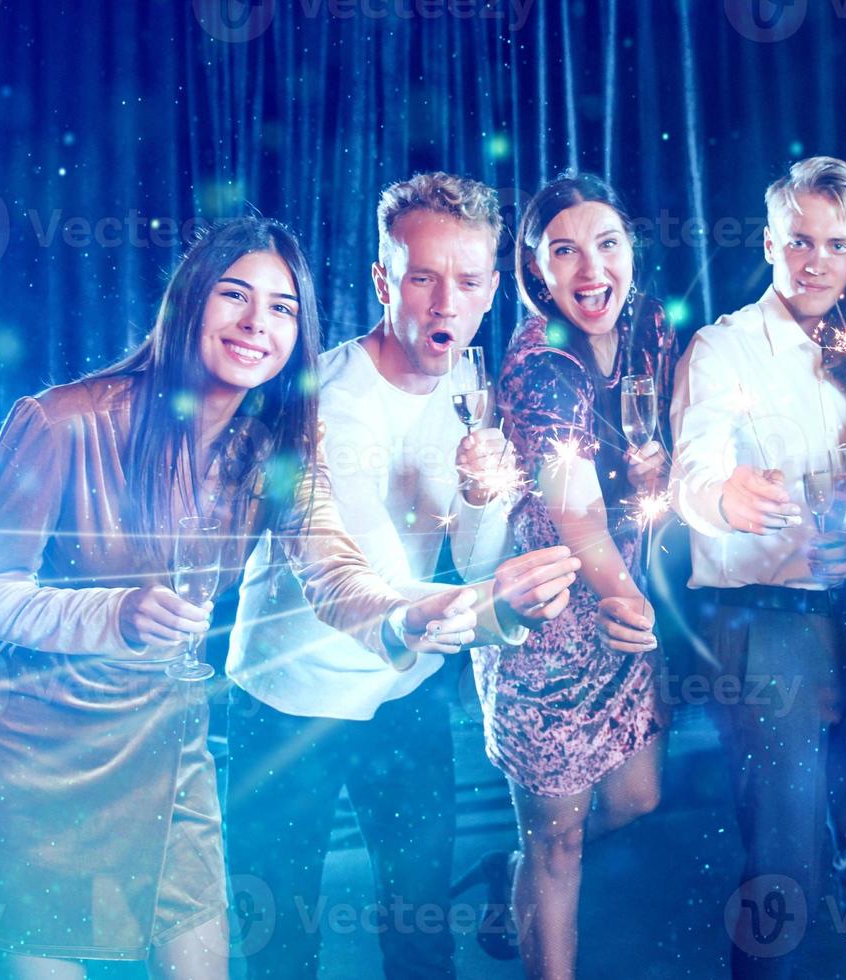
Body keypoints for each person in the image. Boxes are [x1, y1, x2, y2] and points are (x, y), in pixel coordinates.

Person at [0, 216, 481, 980]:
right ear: (189, 301)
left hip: (170, 744)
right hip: (39, 754)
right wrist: (115, 614)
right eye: (235, 295)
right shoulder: (61, 421)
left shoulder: (271, 452)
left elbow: (331, 569)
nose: (258, 323)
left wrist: (400, 617)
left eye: (284, 308)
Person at [222, 174, 581, 980]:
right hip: (290, 702)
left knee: (421, 941)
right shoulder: (323, 402)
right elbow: (355, 588)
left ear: (493, 289)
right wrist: (500, 610)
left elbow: (481, 558)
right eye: (422, 277)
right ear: (385, 281)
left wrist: (488, 499)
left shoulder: (471, 387)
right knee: (279, 950)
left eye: (466, 282)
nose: (444, 303)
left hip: (403, 696)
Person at [669, 156, 846, 979]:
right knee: (786, 864)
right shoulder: (725, 347)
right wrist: (724, 498)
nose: (817, 261)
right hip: (764, 623)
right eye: (800, 242)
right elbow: (693, 472)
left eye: (837, 246)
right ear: (770, 241)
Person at [477, 171, 674, 979]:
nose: (591, 269)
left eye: (607, 244)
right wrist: (632, 599)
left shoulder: (651, 326)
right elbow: (578, 514)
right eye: (565, 252)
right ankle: (535, 877)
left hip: (629, 608)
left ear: (630, 252)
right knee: (557, 843)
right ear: (537, 271)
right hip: (553, 616)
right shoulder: (535, 364)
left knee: (637, 800)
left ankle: (514, 871)